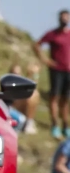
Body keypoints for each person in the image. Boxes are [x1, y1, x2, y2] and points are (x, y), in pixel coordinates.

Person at [32, 10, 70, 139]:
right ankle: (55, 125)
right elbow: (37, 45)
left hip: (68, 71)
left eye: (66, 17)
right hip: (56, 70)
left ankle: (65, 126)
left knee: (65, 99)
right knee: (54, 97)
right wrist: (46, 60)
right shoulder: (52, 34)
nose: (64, 20)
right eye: (62, 17)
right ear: (59, 19)